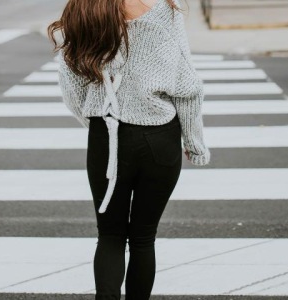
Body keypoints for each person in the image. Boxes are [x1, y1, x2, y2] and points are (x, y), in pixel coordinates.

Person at [47, 0, 210, 298]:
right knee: (143, 238)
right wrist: (194, 142)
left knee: (109, 236)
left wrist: (97, 122)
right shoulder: (164, 12)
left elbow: (71, 85)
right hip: (159, 136)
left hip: (106, 136)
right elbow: (188, 86)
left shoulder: (84, 9)